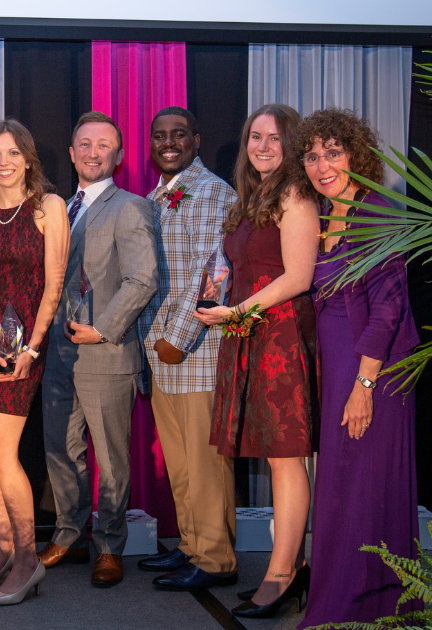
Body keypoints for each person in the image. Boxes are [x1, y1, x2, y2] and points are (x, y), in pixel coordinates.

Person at [294, 109, 420, 627]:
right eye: (312, 156)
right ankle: (346, 603)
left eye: (333, 153)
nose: (322, 165)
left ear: (357, 155)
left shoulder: (376, 212)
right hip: (339, 366)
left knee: (363, 487)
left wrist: (364, 385)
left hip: (374, 371)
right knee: (343, 487)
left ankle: (365, 606)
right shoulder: (326, 214)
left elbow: (389, 309)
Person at [196, 103, 319, 618]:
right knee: (276, 460)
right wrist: (220, 294)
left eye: (273, 138)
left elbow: (299, 277)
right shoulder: (254, 198)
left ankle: (283, 574)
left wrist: (236, 312)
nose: (262, 147)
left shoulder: (295, 195)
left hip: (281, 339)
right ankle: (290, 567)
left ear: (291, 144)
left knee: (287, 460)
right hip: (252, 335)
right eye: (255, 137)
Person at [39, 111, 157, 588]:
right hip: (57, 353)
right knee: (61, 449)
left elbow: (143, 278)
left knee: (110, 458)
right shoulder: (56, 208)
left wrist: (102, 330)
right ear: (71, 154)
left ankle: (109, 546)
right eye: (84, 144)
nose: (93, 152)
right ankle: (69, 535)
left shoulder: (130, 207)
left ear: (119, 156)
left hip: (106, 352)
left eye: (103, 145)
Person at [0, 119, 68, 605]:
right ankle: (3, 549)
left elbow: (54, 282)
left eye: (13, 153)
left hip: (24, 345)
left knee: (4, 454)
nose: (4, 162)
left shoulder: (48, 207)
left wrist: (32, 348)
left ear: (28, 159)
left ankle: (28, 558)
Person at [136, 106, 239, 592]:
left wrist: (176, 340)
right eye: (160, 135)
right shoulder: (153, 197)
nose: (169, 142)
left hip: (196, 348)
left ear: (197, 139)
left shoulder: (214, 192)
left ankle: (216, 559)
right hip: (160, 352)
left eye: (179, 134)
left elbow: (211, 270)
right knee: (180, 462)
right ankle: (193, 544)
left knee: (205, 462)